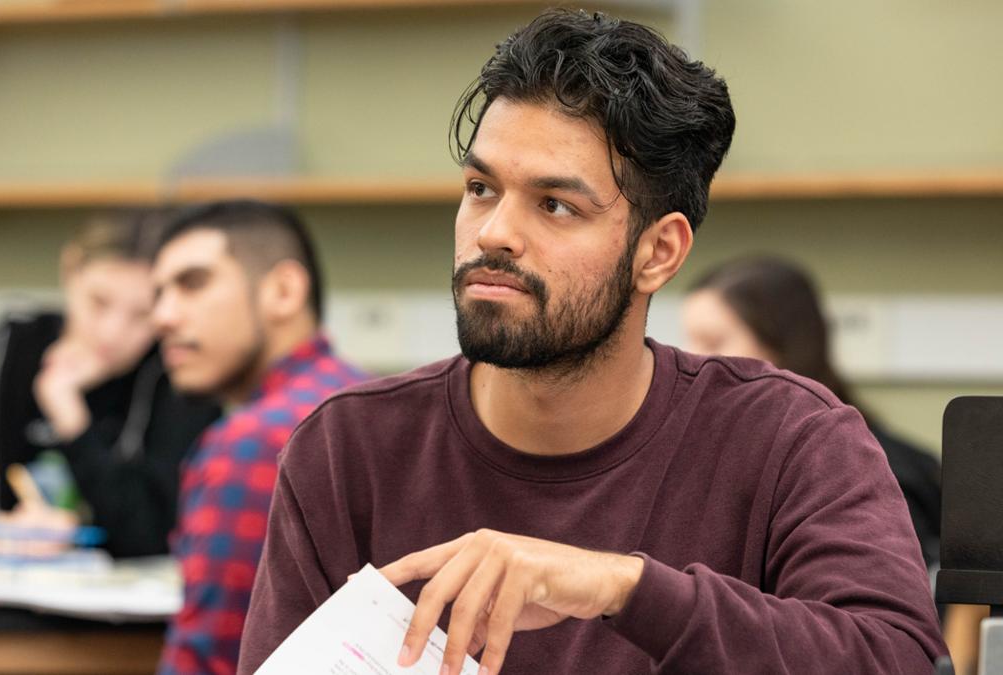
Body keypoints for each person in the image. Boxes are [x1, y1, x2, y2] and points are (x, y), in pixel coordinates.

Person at [237, 9, 946, 675]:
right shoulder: (348, 449)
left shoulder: (791, 436)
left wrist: (620, 586)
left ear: (658, 253)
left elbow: (897, 656)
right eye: (481, 188)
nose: (492, 233)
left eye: (554, 204)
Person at [0, 212, 221, 558]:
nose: (112, 333)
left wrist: (73, 424)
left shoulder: (179, 374)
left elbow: (156, 536)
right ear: (70, 270)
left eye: (142, 314)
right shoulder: (11, 345)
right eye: (99, 302)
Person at [152, 200, 366, 675]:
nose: (162, 317)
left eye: (193, 283)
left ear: (284, 291)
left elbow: (208, 660)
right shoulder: (372, 405)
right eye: (159, 294)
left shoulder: (250, 443)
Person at [681, 255, 942, 569]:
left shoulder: (875, 470)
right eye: (689, 342)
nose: (693, 360)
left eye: (713, 341)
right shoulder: (707, 456)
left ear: (781, 346)